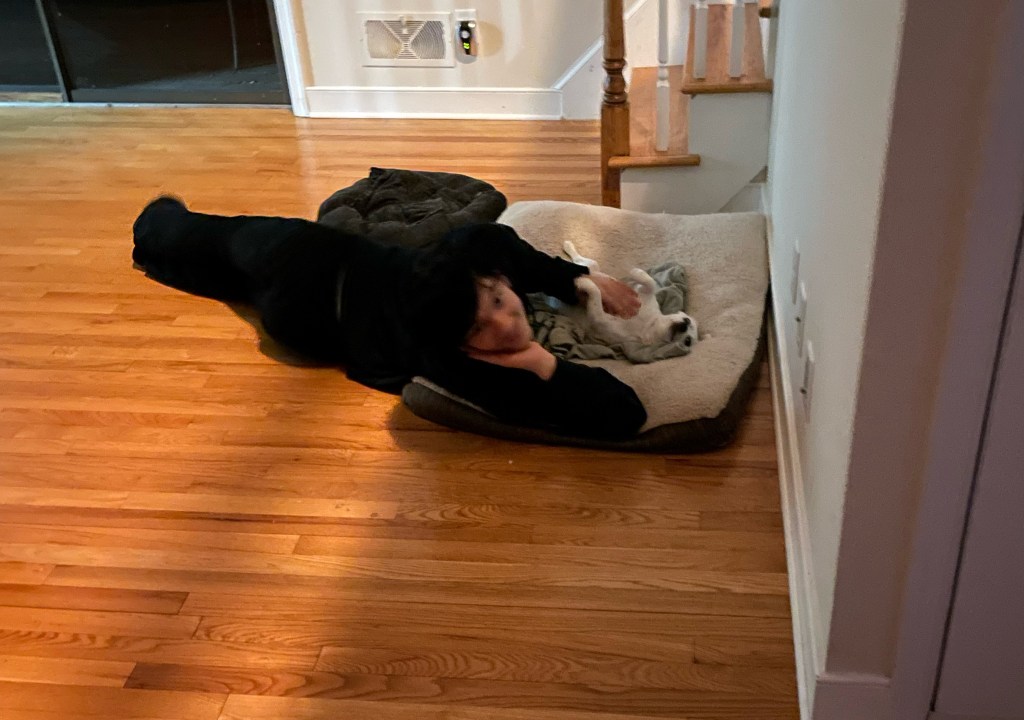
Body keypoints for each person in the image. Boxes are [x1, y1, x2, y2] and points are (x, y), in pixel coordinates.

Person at [131, 196, 647, 439]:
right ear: (459, 340)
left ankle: (156, 256)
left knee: (224, 277)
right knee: (205, 241)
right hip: (305, 280)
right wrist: (540, 364)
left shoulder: (475, 250)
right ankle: (152, 229)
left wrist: (580, 280)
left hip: (319, 288)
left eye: (495, 304)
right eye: (478, 330)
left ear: (494, 278)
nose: (506, 327)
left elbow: (626, 413)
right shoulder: (452, 358)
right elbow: (624, 415)